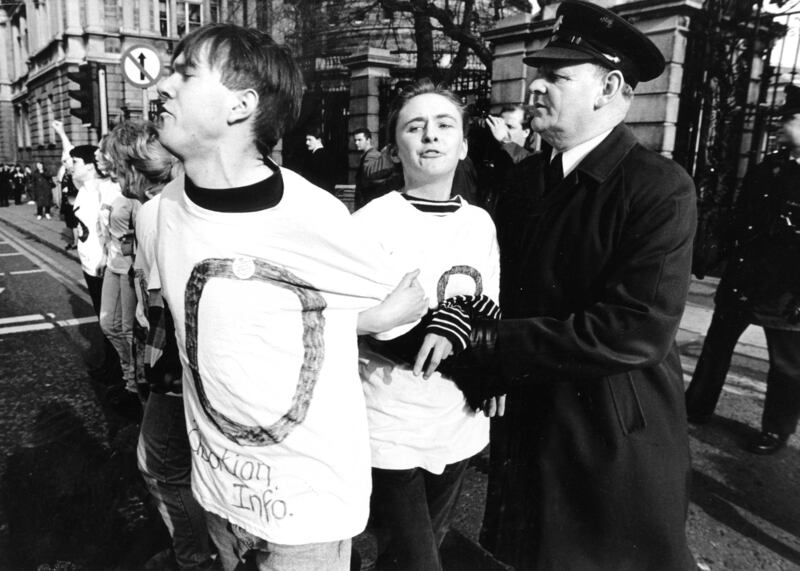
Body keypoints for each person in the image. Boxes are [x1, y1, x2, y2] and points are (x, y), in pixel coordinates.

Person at [154, 23, 426, 571]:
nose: (163, 86)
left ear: (241, 106)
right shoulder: (163, 210)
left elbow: (409, 303)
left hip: (305, 517)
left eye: (184, 74)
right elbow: (227, 328)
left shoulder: (312, 216)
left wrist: (366, 319)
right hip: (219, 496)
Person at [443, 2, 698, 569]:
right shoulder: (526, 180)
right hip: (526, 424)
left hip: (607, 436)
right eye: (538, 72)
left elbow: (636, 330)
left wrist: (494, 343)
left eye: (556, 76)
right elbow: (495, 286)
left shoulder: (659, 188)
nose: (535, 87)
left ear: (609, 88)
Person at [353, 79, 502, 571]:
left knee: (409, 556)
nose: (430, 137)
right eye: (415, 127)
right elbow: (375, 328)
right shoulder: (373, 221)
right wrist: (454, 336)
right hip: (391, 421)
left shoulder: (479, 223)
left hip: (459, 421)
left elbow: (489, 311)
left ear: (463, 145)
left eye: (444, 126)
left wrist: (491, 366)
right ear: (395, 149)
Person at [685, 84, 800, 455]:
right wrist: (716, 249)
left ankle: (776, 430)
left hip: (787, 285)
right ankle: (696, 405)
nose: (781, 125)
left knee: (787, 365)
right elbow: (741, 217)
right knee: (716, 345)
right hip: (745, 276)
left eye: (790, 119)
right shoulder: (770, 167)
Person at [98, 127, 141, 395]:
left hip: (129, 269)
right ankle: (130, 378)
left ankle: (135, 387)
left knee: (127, 330)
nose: (101, 156)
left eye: (105, 151)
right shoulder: (109, 186)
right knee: (108, 325)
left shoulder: (135, 191)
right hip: (113, 265)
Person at [353, 127, 388, 210]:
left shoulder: (372, 155)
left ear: (368, 140)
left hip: (368, 202)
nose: (356, 143)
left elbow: (374, 179)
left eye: (359, 140)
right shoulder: (366, 155)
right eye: (355, 140)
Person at [302, 124, 337, 193]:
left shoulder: (318, 156)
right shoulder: (326, 154)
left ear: (319, 140)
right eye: (306, 140)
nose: (307, 142)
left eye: (310, 140)